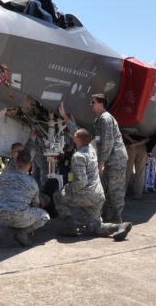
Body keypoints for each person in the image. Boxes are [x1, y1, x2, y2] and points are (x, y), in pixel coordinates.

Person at [53, 128, 132, 239]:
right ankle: (118, 227)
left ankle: (71, 227)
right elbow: (84, 135)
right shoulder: (91, 149)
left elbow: (81, 182)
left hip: (87, 195)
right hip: (98, 195)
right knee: (95, 227)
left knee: (57, 196)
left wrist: (68, 188)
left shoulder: (78, 156)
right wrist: (68, 121)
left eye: (75, 135)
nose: (73, 135)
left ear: (79, 140)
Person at [59, 95, 128, 224]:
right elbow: (89, 139)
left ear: (101, 104)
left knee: (115, 189)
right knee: (106, 188)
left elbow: (107, 142)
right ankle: (108, 217)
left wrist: (101, 162)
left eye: (93, 102)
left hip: (115, 159)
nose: (90, 104)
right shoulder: (99, 119)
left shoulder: (106, 119)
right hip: (108, 158)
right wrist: (68, 121)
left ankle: (117, 219)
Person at [0, 149, 50, 246]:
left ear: (16, 163)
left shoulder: (4, 175)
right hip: (20, 219)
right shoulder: (32, 183)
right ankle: (23, 233)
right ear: (30, 165)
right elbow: (35, 205)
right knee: (45, 216)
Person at [123, 133, 150, 200]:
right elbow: (149, 138)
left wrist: (131, 140)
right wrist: (139, 143)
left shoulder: (129, 123)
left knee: (127, 172)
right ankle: (138, 195)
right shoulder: (146, 125)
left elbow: (124, 133)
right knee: (140, 172)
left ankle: (123, 194)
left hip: (131, 147)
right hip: (143, 147)